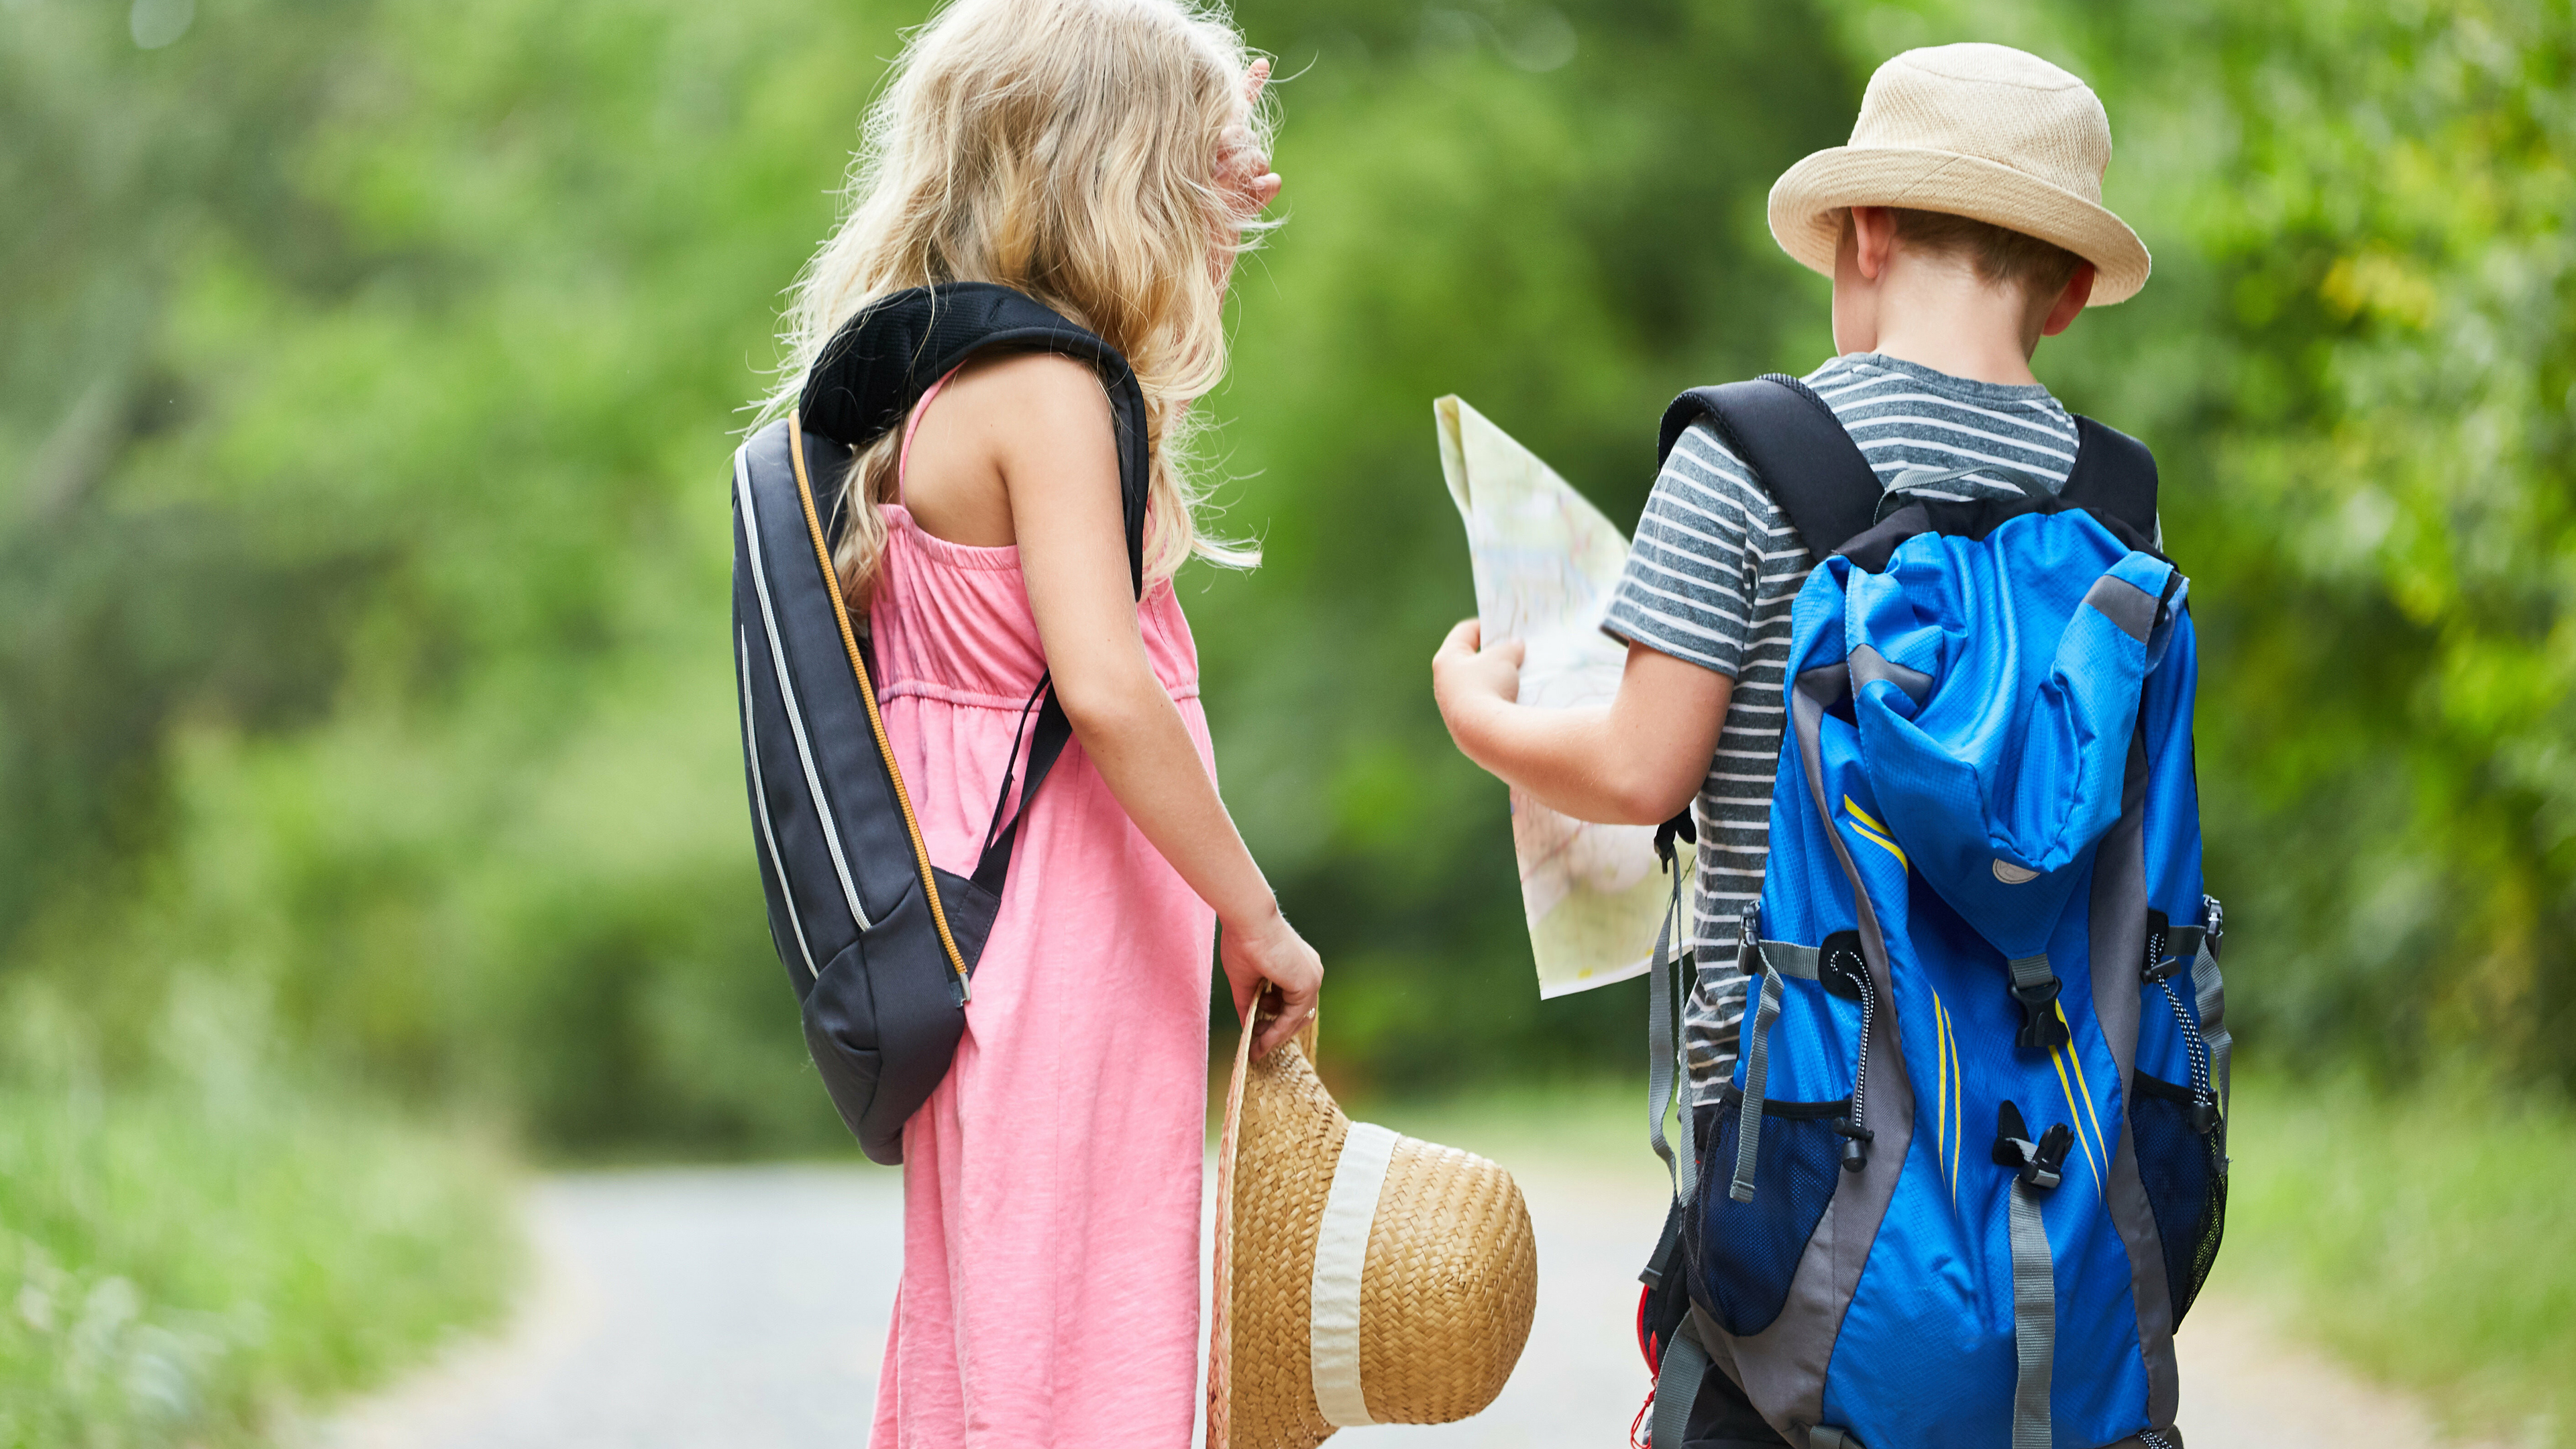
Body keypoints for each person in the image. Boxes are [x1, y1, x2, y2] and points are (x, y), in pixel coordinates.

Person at [1430, 42, 2154, 1446]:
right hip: (2057, 1147)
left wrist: (1485, 719)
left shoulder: (1752, 453)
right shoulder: (2118, 506)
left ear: (1864, 233)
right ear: (2068, 293)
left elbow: (1643, 770)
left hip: (1798, 1151)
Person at [765, 2, 1322, 1443]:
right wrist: (1256, 915)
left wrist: (1201, 198)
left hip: (986, 933)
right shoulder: (1053, 390)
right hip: (1062, 929)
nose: (1226, 206)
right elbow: (1106, 690)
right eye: (1198, 173)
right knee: (1081, 1320)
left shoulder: (955, 383)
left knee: (1008, 1311)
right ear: (1121, 177)